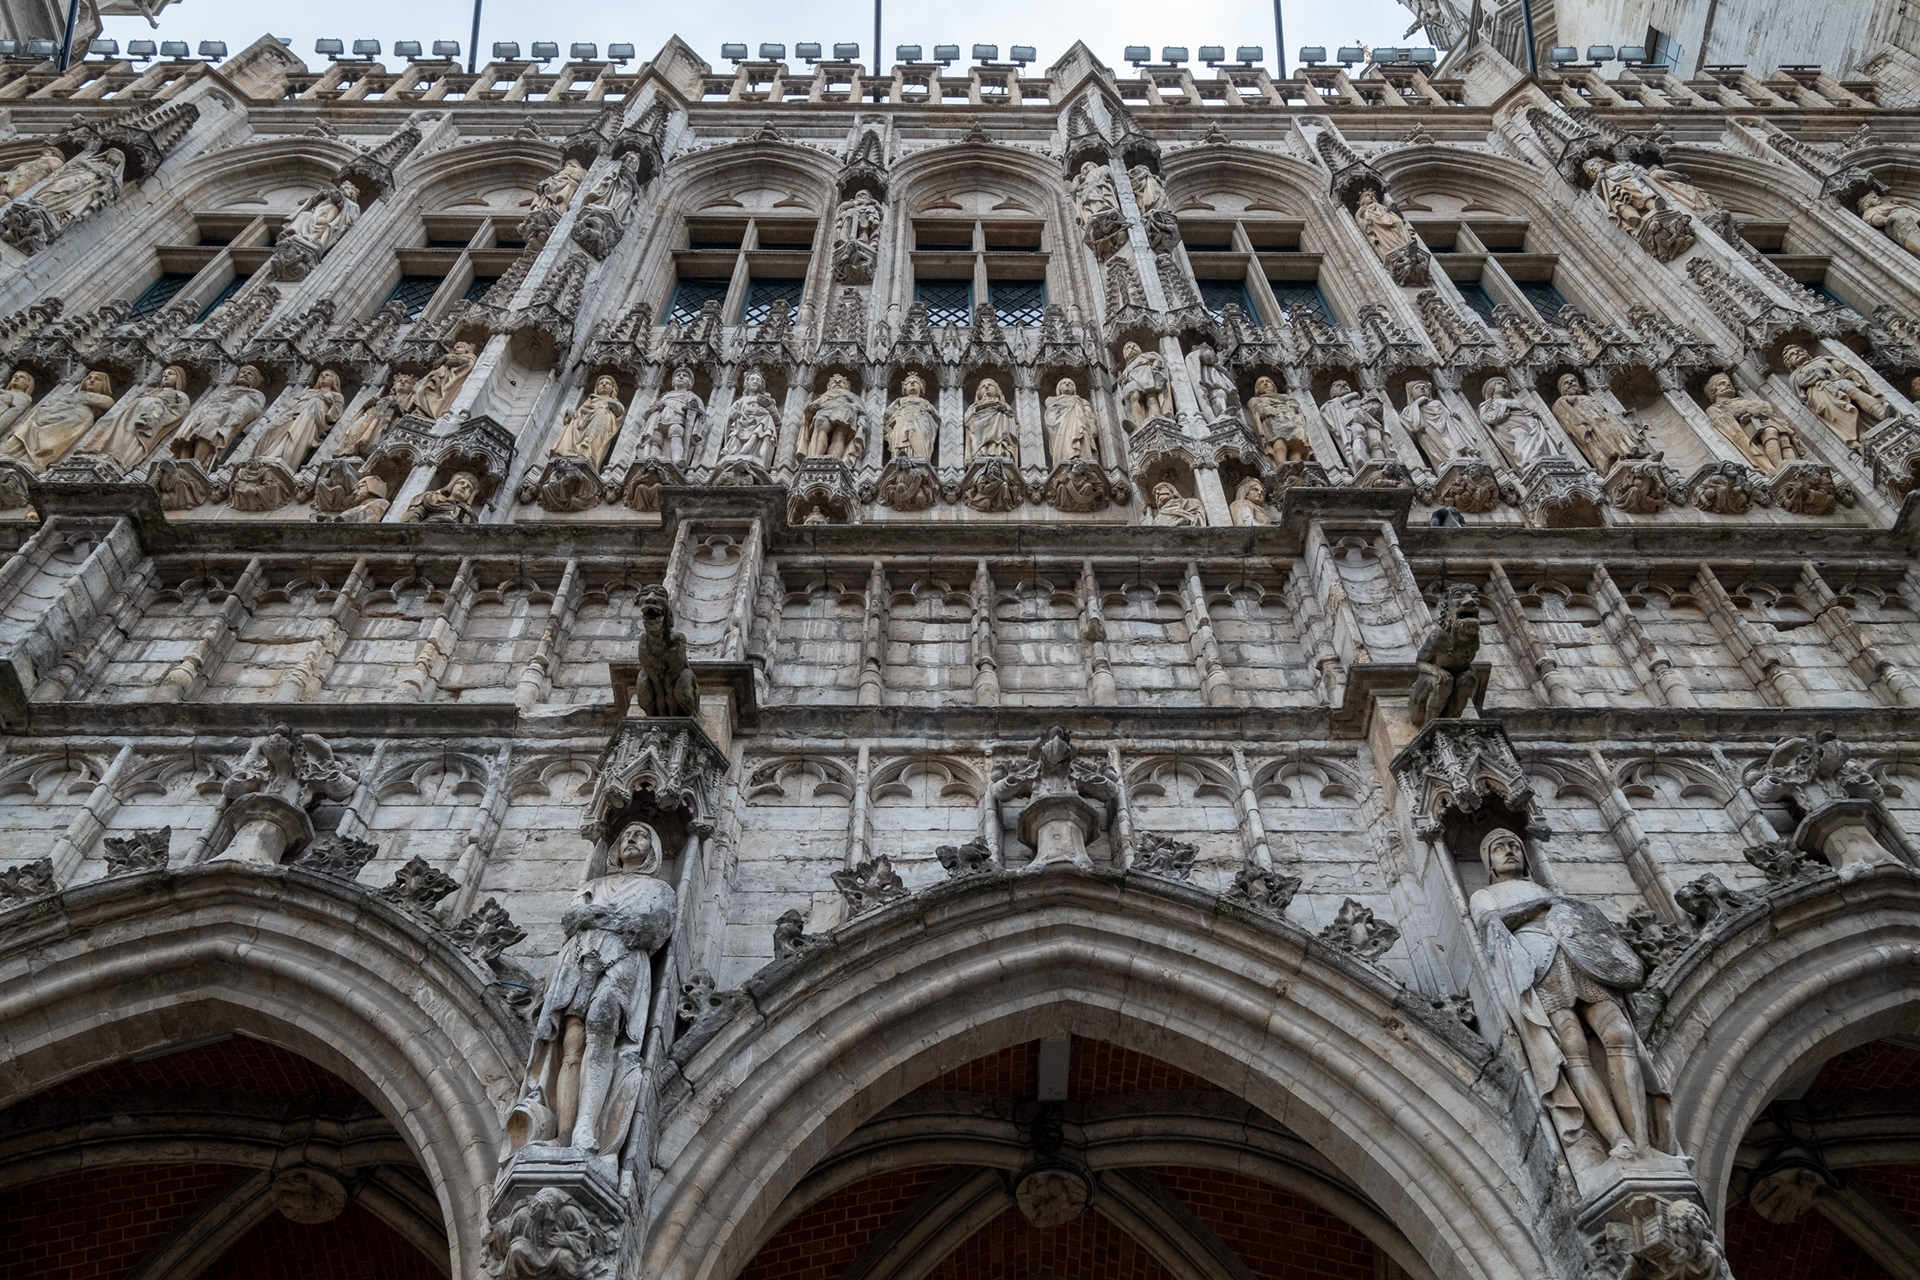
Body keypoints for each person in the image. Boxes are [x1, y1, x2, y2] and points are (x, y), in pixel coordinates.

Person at [1469, 829, 1670, 1162]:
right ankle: (1617, 1138)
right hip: (1539, 967)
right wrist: (1538, 907)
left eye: (1515, 846)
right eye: (1499, 848)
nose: (1509, 851)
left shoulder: (1545, 890)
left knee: (1620, 1035)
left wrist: (1547, 906)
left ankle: (1643, 1142)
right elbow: (1489, 923)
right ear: (1488, 861)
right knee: (1572, 1049)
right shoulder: (1486, 894)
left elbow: (1581, 920)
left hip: (1579, 961)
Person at [1, 370, 115, 471]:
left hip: (72, 419)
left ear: (104, 385)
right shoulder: (74, 394)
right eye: (89, 378)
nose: (91, 381)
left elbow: (105, 404)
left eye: (97, 379)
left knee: (48, 440)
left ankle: (34, 462)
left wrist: (79, 399)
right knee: (26, 430)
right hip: (49, 415)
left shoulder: (104, 399)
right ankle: (9, 453)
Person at [1781, 342, 1886, 450]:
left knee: (1855, 392)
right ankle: (1859, 435)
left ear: (1806, 352)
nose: (1797, 353)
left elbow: (1841, 366)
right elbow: (1803, 381)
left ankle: (1881, 413)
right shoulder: (1796, 375)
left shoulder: (1823, 359)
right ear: (1790, 363)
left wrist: (1846, 370)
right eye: (1792, 354)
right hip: (1823, 392)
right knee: (1842, 412)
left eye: (1799, 350)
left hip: (1839, 380)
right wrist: (1820, 373)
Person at [87, 365, 192, 469]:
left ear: (179, 378)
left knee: (133, 439)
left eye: (170, 374)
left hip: (148, 420)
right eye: (164, 374)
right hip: (130, 414)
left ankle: (120, 461)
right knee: (118, 432)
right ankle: (105, 452)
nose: (166, 376)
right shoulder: (151, 390)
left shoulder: (179, 395)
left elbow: (180, 411)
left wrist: (156, 415)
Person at [1703, 373, 1800, 473]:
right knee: (1770, 432)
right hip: (1750, 426)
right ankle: (1779, 466)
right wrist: (1747, 410)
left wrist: (1755, 409)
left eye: (1729, 383)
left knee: (1784, 439)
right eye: (1722, 384)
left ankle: (1794, 465)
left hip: (1766, 420)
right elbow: (1725, 420)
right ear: (1713, 391)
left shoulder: (1743, 399)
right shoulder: (1715, 408)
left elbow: (1765, 407)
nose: (1727, 384)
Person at [171, 366, 267, 468]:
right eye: (243, 372)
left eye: (250, 374)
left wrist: (236, 408)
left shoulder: (256, 394)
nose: (245, 374)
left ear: (254, 381)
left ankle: (197, 462)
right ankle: (181, 461)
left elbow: (254, 410)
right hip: (207, 412)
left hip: (225, 417)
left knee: (208, 428)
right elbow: (210, 401)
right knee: (191, 430)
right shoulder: (226, 390)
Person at [249, 370, 345, 471]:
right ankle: (263, 456)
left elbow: (333, 416)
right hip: (293, 415)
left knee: (295, 436)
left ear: (334, 380)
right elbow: (291, 406)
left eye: (327, 375)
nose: (323, 377)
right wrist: (283, 414)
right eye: (321, 375)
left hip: (310, 419)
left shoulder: (336, 396)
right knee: (272, 429)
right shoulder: (308, 391)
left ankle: (281, 459)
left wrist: (326, 401)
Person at [1478, 377, 1565, 468]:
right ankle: (1530, 463)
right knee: (1521, 436)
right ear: (1491, 388)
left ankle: (1552, 462)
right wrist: (1507, 406)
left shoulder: (1514, 400)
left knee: (1542, 439)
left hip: (1530, 423)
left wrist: (1535, 415)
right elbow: (1488, 418)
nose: (1504, 385)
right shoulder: (1488, 404)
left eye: (1506, 384)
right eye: (1499, 383)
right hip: (1511, 426)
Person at [554, 375, 627, 468]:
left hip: (601, 424)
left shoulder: (614, 402)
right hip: (583, 423)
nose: (604, 384)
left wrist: (608, 403)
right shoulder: (591, 399)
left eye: (607, 383)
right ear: (596, 388)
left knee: (601, 414)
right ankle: (568, 452)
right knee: (574, 421)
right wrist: (571, 413)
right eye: (601, 383)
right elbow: (581, 413)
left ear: (613, 389)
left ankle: (587, 452)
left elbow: (620, 411)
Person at [1247, 376, 1312, 465]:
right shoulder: (1256, 400)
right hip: (1274, 421)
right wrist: (1273, 410)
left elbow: (1297, 409)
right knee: (1279, 439)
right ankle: (1282, 464)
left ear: (1273, 386)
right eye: (1261, 383)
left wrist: (1291, 409)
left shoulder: (1286, 397)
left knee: (1298, 442)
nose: (1265, 384)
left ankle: (1297, 464)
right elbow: (1258, 411)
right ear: (1257, 389)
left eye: (1268, 381)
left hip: (1292, 420)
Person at [883, 373, 940, 462]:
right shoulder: (899, 401)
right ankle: (899, 457)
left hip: (920, 422)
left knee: (919, 438)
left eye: (915, 382)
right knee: (899, 435)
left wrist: (929, 412)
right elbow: (887, 415)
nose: (912, 383)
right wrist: (891, 424)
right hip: (901, 421)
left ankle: (920, 457)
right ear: (904, 388)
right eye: (909, 382)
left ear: (921, 388)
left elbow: (937, 417)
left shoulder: (925, 402)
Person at [1044, 378, 1100, 465]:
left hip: (1081, 425)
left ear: (1074, 389)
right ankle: (1067, 458)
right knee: (1066, 439)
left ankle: (1084, 458)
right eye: (1064, 383)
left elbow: (1090, 414)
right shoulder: (1053, 400)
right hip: (1063, 428)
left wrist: (1089, 420)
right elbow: (1051, 416)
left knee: (1084, 436)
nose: (1067, 384)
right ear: (1059, 388)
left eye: (1070, 383)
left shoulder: (1081, 401)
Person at [965, 378, 1020, 465]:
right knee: (975, 427)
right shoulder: (974, 406)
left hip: (999, 426)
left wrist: (1004, 411)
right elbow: (967, 419)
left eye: (990, 385)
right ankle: (981, 452)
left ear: (997, 390)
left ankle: (1000, 452)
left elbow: (1013, 419)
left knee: (1002, 419)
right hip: (980, 426)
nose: (987, 387)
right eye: (983, 386)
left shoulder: (1003, 404)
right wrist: (981, 406)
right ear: (979, 393)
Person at [402, 470, 483, 523]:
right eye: (461, 483)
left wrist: (472, 516)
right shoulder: (431, 498)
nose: (464, 487)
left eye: (469, 488)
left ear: (469, 496)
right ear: (452, 486)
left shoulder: (466, 513)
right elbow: (414, 513)